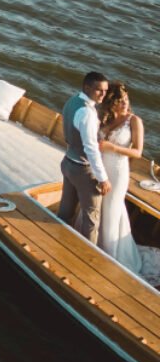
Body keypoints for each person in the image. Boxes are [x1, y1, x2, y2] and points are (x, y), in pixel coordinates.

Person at [57, 71, 111, 242]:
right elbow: (91, 148)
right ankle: (89, 255)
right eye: (99, 90)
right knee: (91, 218)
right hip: (82, 169)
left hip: (68, 163)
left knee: (65, 210)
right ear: (87, 87)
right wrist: (102, 178)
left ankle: (57, 239)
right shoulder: (87, 112)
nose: (103, 94)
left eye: (105, 90)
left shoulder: (72, 101)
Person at [98, 83, 143, 273]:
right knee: (97, 206)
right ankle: (92, 243)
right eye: (120, 101)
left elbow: (138, 152)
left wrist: (113, 148)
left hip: (117, 171)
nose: (125, 104)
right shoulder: (104, 118)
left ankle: (110, 255)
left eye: (126, 99)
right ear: (111, 102)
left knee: (112, 208)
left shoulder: (134, 120)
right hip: (100, 168)